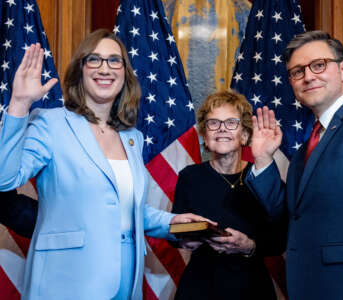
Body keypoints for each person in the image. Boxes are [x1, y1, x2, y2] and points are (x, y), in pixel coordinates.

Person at [0, 29, 209, 300]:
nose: (105, 68)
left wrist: (174, 222)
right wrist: (19, 104)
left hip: (127, 281)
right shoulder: (50, 123)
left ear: (124, 74)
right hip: (66, 281)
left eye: (114, 60)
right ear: (80, 70)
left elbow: (126, 209)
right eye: (94, 59)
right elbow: (5, 179)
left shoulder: (132, 137)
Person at [245, 30, 343, 300]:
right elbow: (291, 220)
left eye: (318, 65)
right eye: (297, 71)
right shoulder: (307, 148)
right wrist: (262, 159)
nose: (308, 76)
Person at [171, 90, 286, 300]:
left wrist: (249, 246)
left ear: (244, 134)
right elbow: (175, 233)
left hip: (252, 288)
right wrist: (184, 240)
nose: (222, 129)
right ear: (205, 135)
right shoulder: (190, 177)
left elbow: (280, 241)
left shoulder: (264, 177)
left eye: (231, 122)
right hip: (200, 287)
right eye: (213, 123)